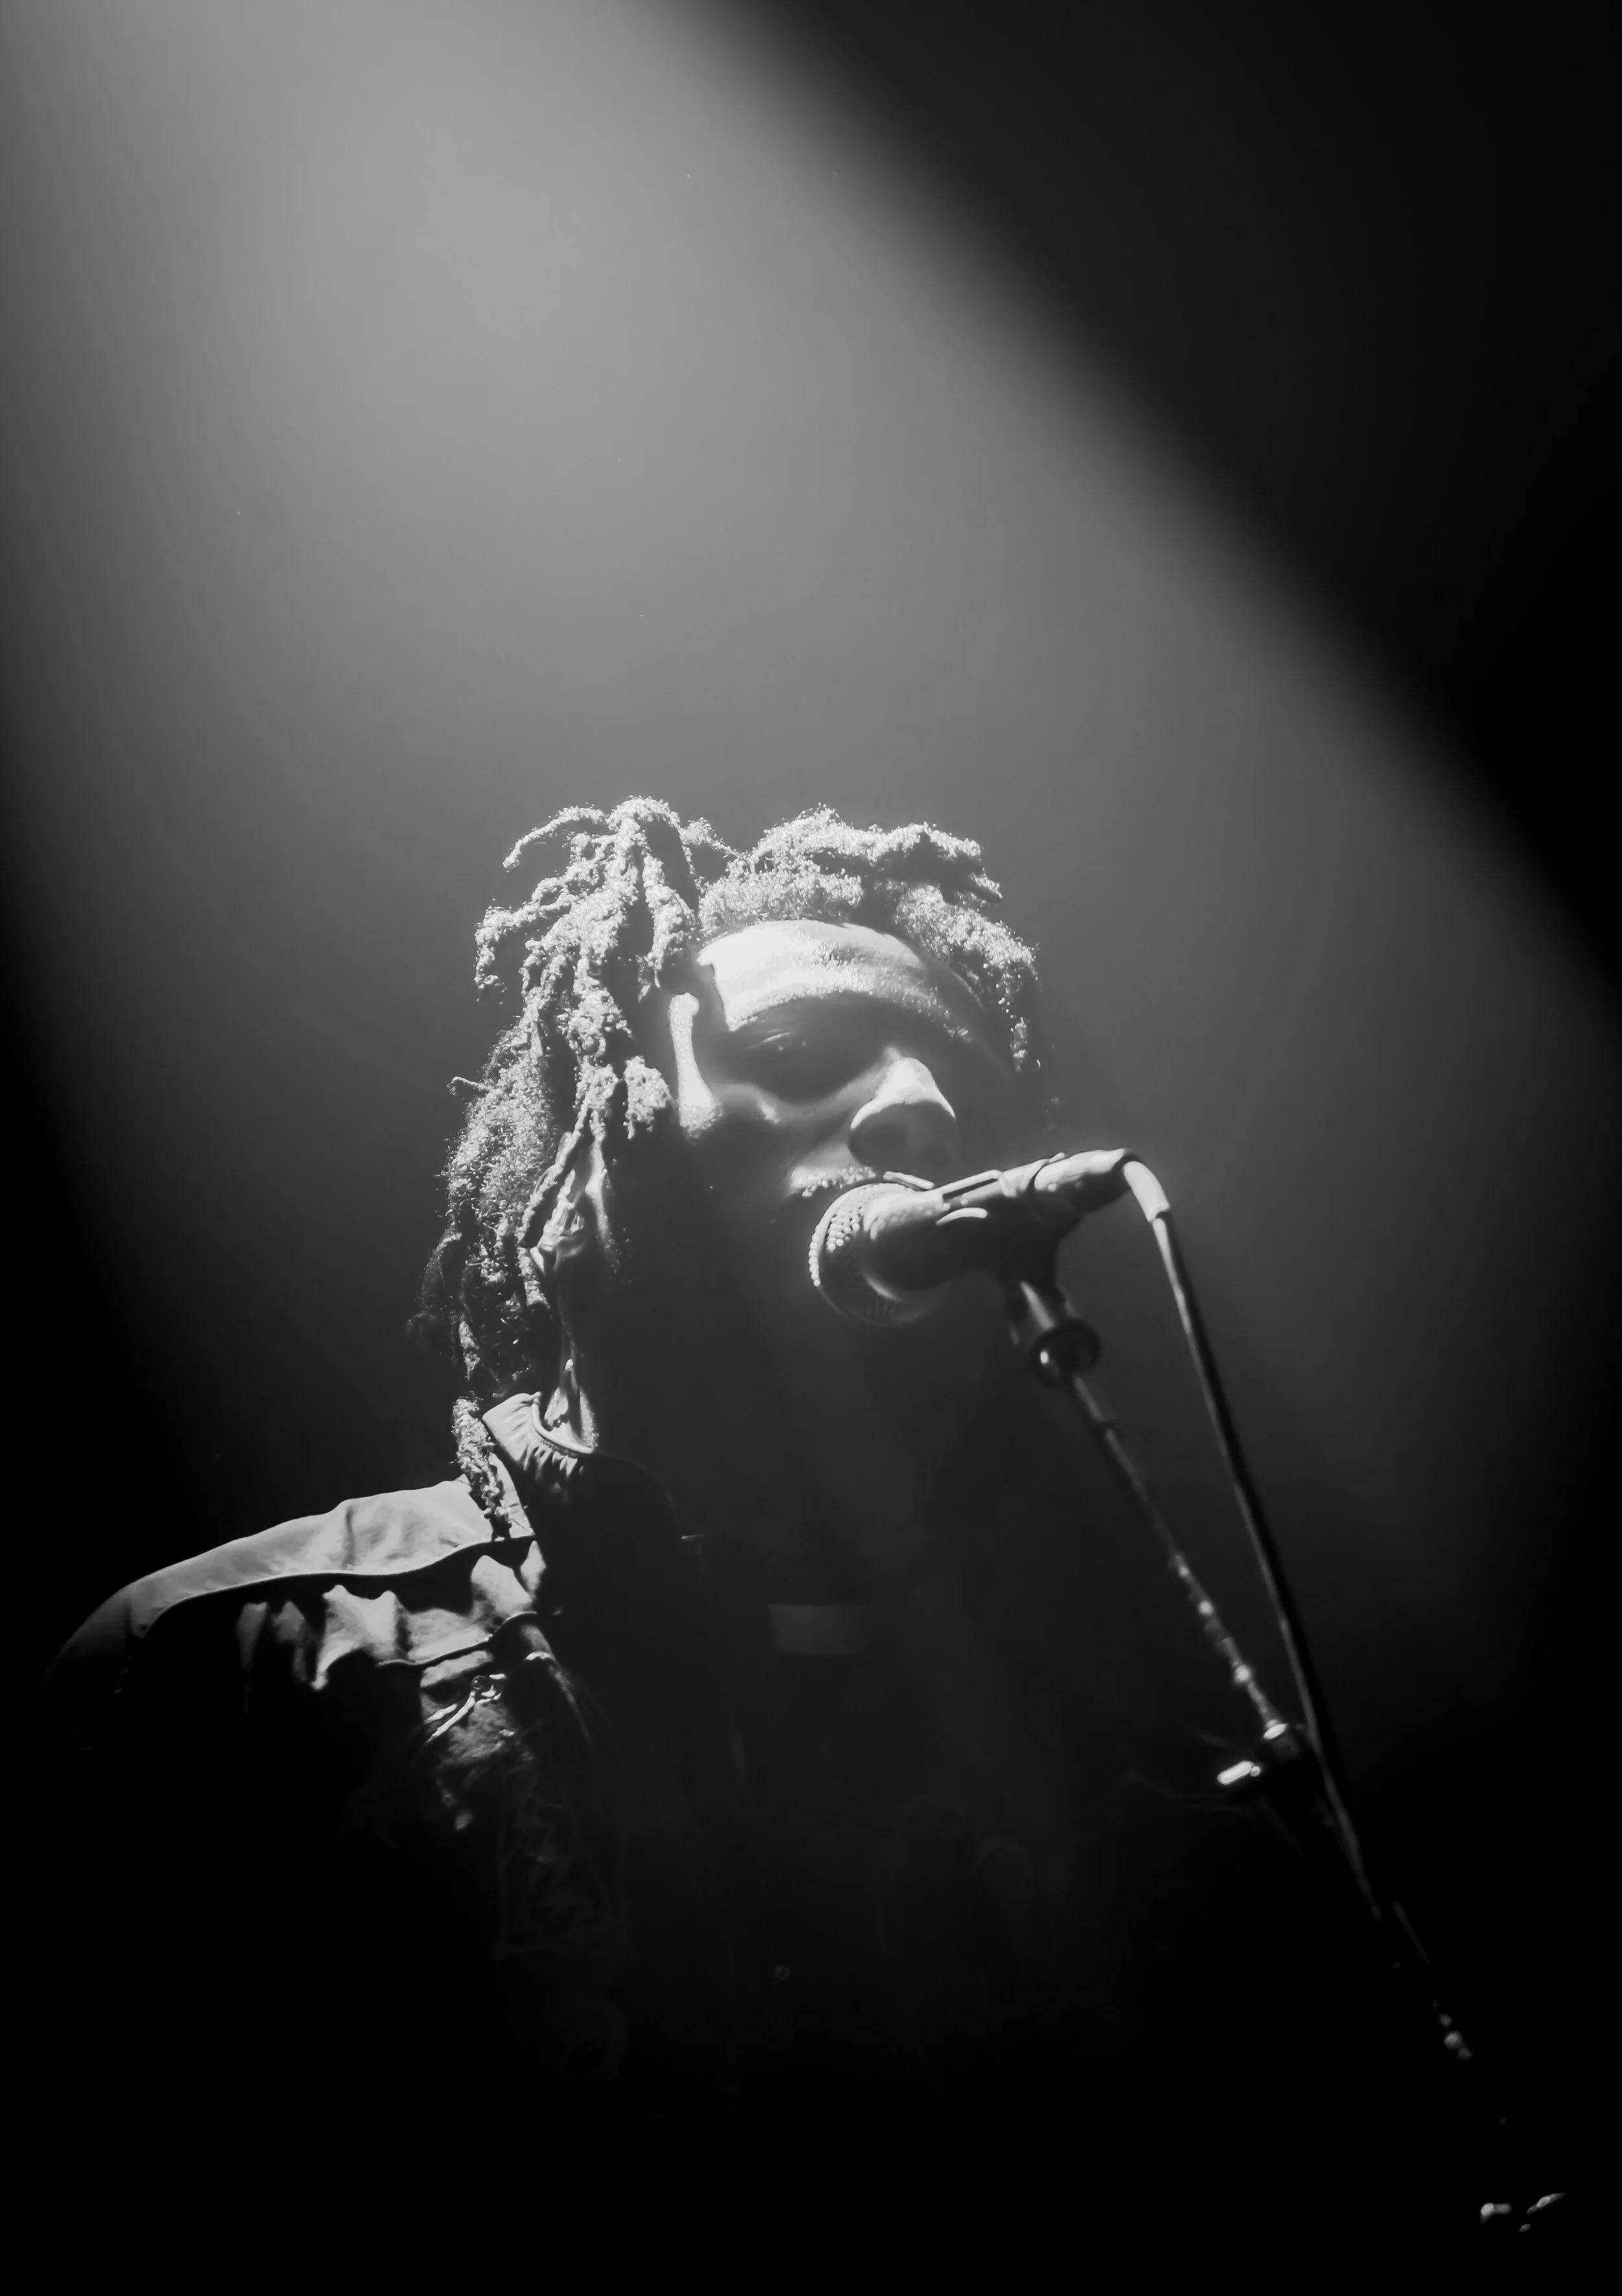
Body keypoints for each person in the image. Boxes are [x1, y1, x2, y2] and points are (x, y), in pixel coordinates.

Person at [25, 800, 1461, 2220]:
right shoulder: (233, 1675)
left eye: (957, 1083)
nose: (923, 1109)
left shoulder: (1147, 1825)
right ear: (594, 1153)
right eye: (795, 1054)